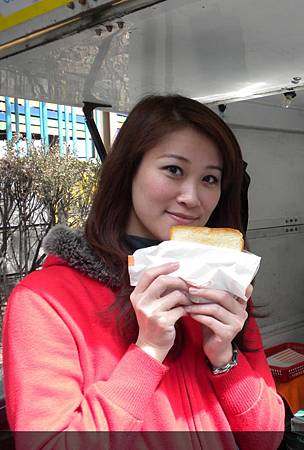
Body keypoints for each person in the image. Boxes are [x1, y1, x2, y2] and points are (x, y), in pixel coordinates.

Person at [2, 95, 284, 449]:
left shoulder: (223, 286)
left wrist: (224, 358)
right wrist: (148, 350)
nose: (192, 197)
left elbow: (268, 438)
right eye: (174, 170)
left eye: (210, 178)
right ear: (129, 169)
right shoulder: (45, 300)